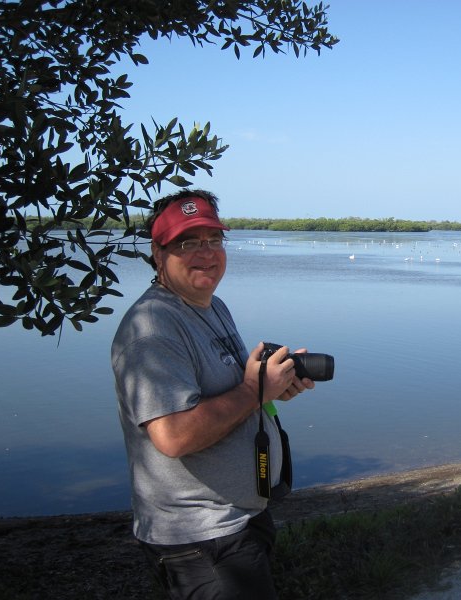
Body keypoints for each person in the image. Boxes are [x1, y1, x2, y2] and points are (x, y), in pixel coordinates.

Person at [111, 189, 314, 599]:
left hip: (237, 521)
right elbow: (174, 436)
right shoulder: (152, 329)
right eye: (187, 243)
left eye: (213, 240)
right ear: (158, 252)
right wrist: (253, 389)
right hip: (198, 539)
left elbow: (236, 395)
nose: (205, 253)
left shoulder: (212, 306)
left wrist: (272, 389)